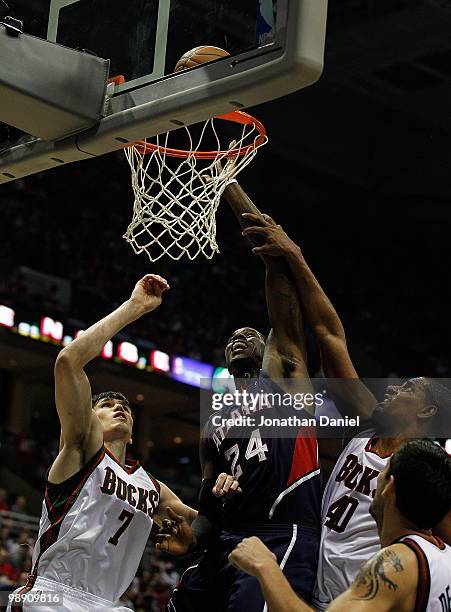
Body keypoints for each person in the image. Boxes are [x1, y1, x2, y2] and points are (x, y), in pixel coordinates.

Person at [234, 212, 451, 609]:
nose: (395, 387)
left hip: (372, 597)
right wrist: (295, 257)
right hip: (309, 585)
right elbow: (329, 335)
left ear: (427, 412)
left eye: (408, 388)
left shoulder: (433, 469)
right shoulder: (368, 424)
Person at [164, 176, 324, 611]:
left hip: (282, 531)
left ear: (269, 348)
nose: (240, 337)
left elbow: (278, 270)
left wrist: (225, 184)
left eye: (251, 334)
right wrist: (190, 537)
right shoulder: (213, 424)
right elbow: (208, 509)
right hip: (227, 541)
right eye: (233, 336)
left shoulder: (287, 377)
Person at [7, 274, 197, 612]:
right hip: (53, 596)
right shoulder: (81, 449)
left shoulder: (151, 486)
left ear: (134, 432)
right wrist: (134, 308)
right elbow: (68, 362)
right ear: (88, 419)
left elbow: (201, 523)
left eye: (124, 406)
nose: (119, 407)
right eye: (106, 405)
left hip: (108, 604)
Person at [228, 439, 451, 612]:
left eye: (381, 473)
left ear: (389, 487)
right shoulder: (445, 557)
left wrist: (265, 567)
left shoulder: (395, 564)